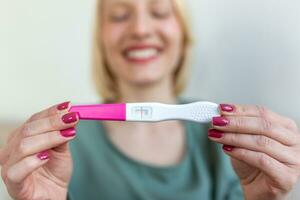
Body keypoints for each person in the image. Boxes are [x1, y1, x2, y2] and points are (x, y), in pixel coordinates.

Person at [1, 0, 299, 199]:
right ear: (100, 40)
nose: (140, 29)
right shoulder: (56, 152)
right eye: (119, 15)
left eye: (159, 11)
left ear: (183, 34)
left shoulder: (229, 143)